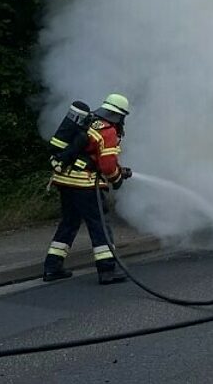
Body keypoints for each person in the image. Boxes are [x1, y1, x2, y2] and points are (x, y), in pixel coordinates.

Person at [42, 93, 134, 283]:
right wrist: (117, 178)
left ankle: (52, 267)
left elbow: (92, 158)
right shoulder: (107, 131)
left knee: (69, 222)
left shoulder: (89, 122)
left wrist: (118, 172)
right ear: (119, 115)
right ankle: (107, 270)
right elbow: (107, 166)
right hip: (84, 184)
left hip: (65, 180)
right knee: (99, 225)